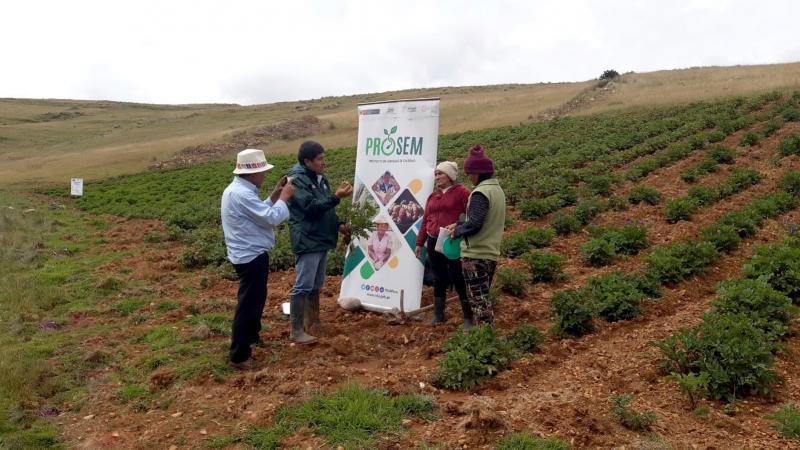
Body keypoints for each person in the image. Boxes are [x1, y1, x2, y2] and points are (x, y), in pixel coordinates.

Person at [221, 149, 294, 369]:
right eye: (263, 172)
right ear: (253, 174)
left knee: (256, 299)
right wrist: (284, 198)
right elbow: (270, 218)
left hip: (249, 255)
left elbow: (258, 212)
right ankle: (239, 355)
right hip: (250, 257)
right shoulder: (242, 194)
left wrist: (274, 195)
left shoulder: (239, 191)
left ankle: (252, 337)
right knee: (248, 304)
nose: (264, 175)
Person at [286, 141, 353, 344]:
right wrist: (336, 197)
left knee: (315, 284)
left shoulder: (320, 179)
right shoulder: (296, 180)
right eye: (319, 159)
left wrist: (338, 224)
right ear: (307, 161)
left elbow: (326, 210)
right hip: (308, 239)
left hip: (321, 238)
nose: (324, 162)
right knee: (303, 285)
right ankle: (296, 330)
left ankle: (313, 322)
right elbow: (311, 207)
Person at [448, 145, 506, 327]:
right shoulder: (497, 191)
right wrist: (459, 224)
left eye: (470, 173)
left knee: (478, 300)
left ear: (478, 173)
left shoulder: (481, 193)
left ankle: (485, 334)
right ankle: (486, 333)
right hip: (490, 252)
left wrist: (457, 232)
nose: (469, 177)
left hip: (476, 255)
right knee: (483, 295)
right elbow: (482, 219)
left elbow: (475, 224)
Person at [415, 161, 472, 327]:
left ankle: (468, 317)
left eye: (440, 173)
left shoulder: (462, 192)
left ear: (450, 176)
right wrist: (420, 242)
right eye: (436, 174)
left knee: (457, 276)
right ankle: (438, 315)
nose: (437, 177)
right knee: (438, 277)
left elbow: (471, 215)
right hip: (433, 240)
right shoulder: (432, 196)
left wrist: (459, 226)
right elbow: (426, 220)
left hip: (452, 240)